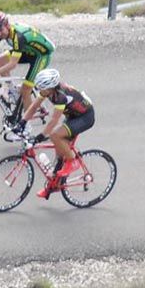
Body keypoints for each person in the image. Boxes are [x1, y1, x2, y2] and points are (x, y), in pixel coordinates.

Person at [24, 68, 95, 199]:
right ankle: (52, 187)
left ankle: (73, 161)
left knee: (55, 135)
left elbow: (54, 120)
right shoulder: (48, 91)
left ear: (50, 88)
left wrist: (40, 136)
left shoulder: (61, 96)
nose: (40, 90)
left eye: (42, 88)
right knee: (59, 154)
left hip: (85, 117)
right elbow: (34, 107)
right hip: (73, 115)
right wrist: (22, 122)